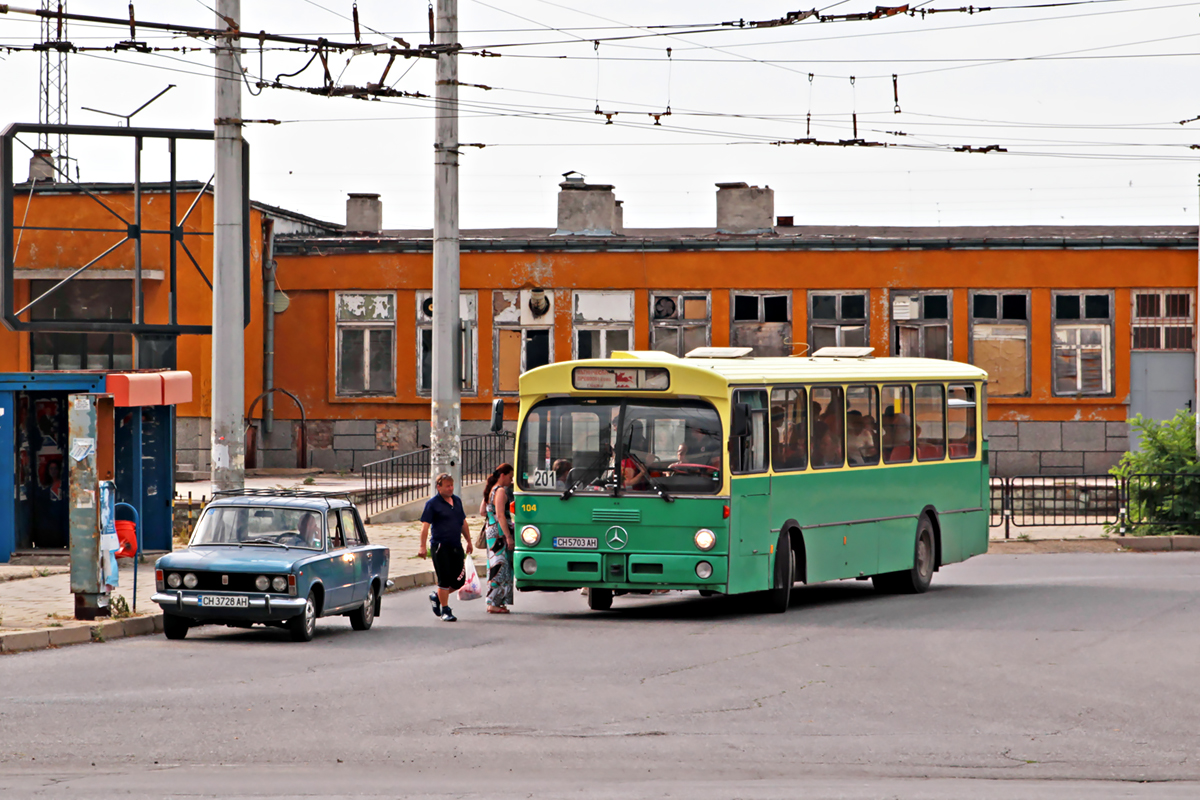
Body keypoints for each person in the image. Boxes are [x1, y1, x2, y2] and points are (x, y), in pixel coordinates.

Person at [418, 473, 474, 623]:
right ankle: (445, 610)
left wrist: (469, 541)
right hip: (440, 546)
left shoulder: (456, 501)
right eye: (447, 486)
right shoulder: (433, 504)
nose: (450, 489)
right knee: (444, 580)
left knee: (459, 581)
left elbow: (463, 522)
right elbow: (425, 527)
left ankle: (437, 596)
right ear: (439, 487)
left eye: (452, 485)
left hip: (456, 545)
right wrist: (422, 546)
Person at [480, 464, 515, 614]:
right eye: (510, 476)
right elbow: (501, 515)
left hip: (491, 531)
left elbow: (482, 511)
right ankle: (493, 602)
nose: (511, 480)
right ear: (502, 475)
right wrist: (508, 536)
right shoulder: (500, 491)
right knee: (501, 566)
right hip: (500, 533)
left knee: (495, 565)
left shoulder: (490, 490)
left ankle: (497, 601)